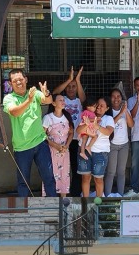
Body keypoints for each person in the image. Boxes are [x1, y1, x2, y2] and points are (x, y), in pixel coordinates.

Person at [2, 68, 56, 196]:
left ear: (26, 79)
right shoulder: (9, 98)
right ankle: (24, 210)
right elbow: (15, 112)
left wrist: (46, 93)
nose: (19, 82)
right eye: (15, 81)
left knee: (49, 178)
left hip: (40, 143)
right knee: (23, 183)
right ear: (10, 83)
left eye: (21, 79)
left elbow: (48, 101)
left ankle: (54, 207)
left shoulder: (34, 93)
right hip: (22, 148)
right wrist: (29, 100)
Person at [52, 66, 86, 196]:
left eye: (73, 86)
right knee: (61, 168)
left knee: (76, 168)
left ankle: (75, 193)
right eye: (69, 86)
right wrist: (69, 80)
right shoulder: (61, 100)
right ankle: (60, 192)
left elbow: (84, 99)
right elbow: (54, 94)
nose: (71, 89)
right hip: (63, 140)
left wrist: (77, 80)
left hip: (77, 139)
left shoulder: (79, 101)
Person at [77, 97, 114, 197]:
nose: (98, 107)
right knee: (85, 178)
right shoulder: (87, 115)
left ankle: (99, 202)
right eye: (97, 105)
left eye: (102, 106)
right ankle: (86, 202)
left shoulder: (108, 119)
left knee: (98, 179)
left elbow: (108, 132)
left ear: (107, 108)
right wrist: (87, 123)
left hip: (100, 153)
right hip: (83, 150)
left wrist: (97, 125)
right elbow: (78, 131)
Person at [42, 94, 73, 197]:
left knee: (64, 175)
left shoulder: (67, 116)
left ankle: (63, 200)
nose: (63, 102)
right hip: (51, 151)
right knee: (51, 175)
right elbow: (42, 135)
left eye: (63, 100)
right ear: (54, 103)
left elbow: (71, 132)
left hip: (64, 151)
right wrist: (54, 145)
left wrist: (67, 145)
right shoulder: (48, 118)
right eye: (60, 100)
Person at [104, 88, 133, 196]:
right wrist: (121, 113)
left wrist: (126, 112)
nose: (116, 99)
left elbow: (131, 125)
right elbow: (111, 124)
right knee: (111, 172)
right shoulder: (107, 111)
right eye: (113, 96)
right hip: (112, 144)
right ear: (110, 98)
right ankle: (107, 195)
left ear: (121, 98)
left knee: (121, 171)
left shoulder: (125, 110)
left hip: (124, 144)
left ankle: (120, 194)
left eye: (118, 96)